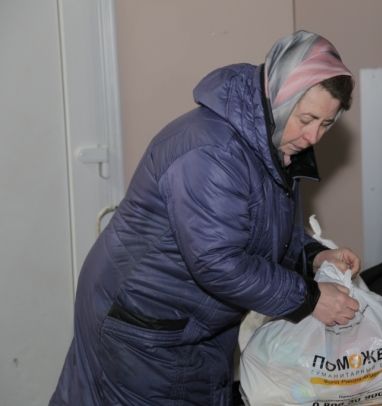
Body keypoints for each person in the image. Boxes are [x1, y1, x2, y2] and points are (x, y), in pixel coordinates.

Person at [50, 30, 361, 405]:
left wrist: (312, 255)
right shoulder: (212, 152)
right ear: (279, 94)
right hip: (140, 323)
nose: (313, 137)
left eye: (326, 124)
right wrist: (310, 299)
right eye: (307, 118)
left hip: (185, 321)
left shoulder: (270, 140)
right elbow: (218, 261)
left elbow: (257, 228)